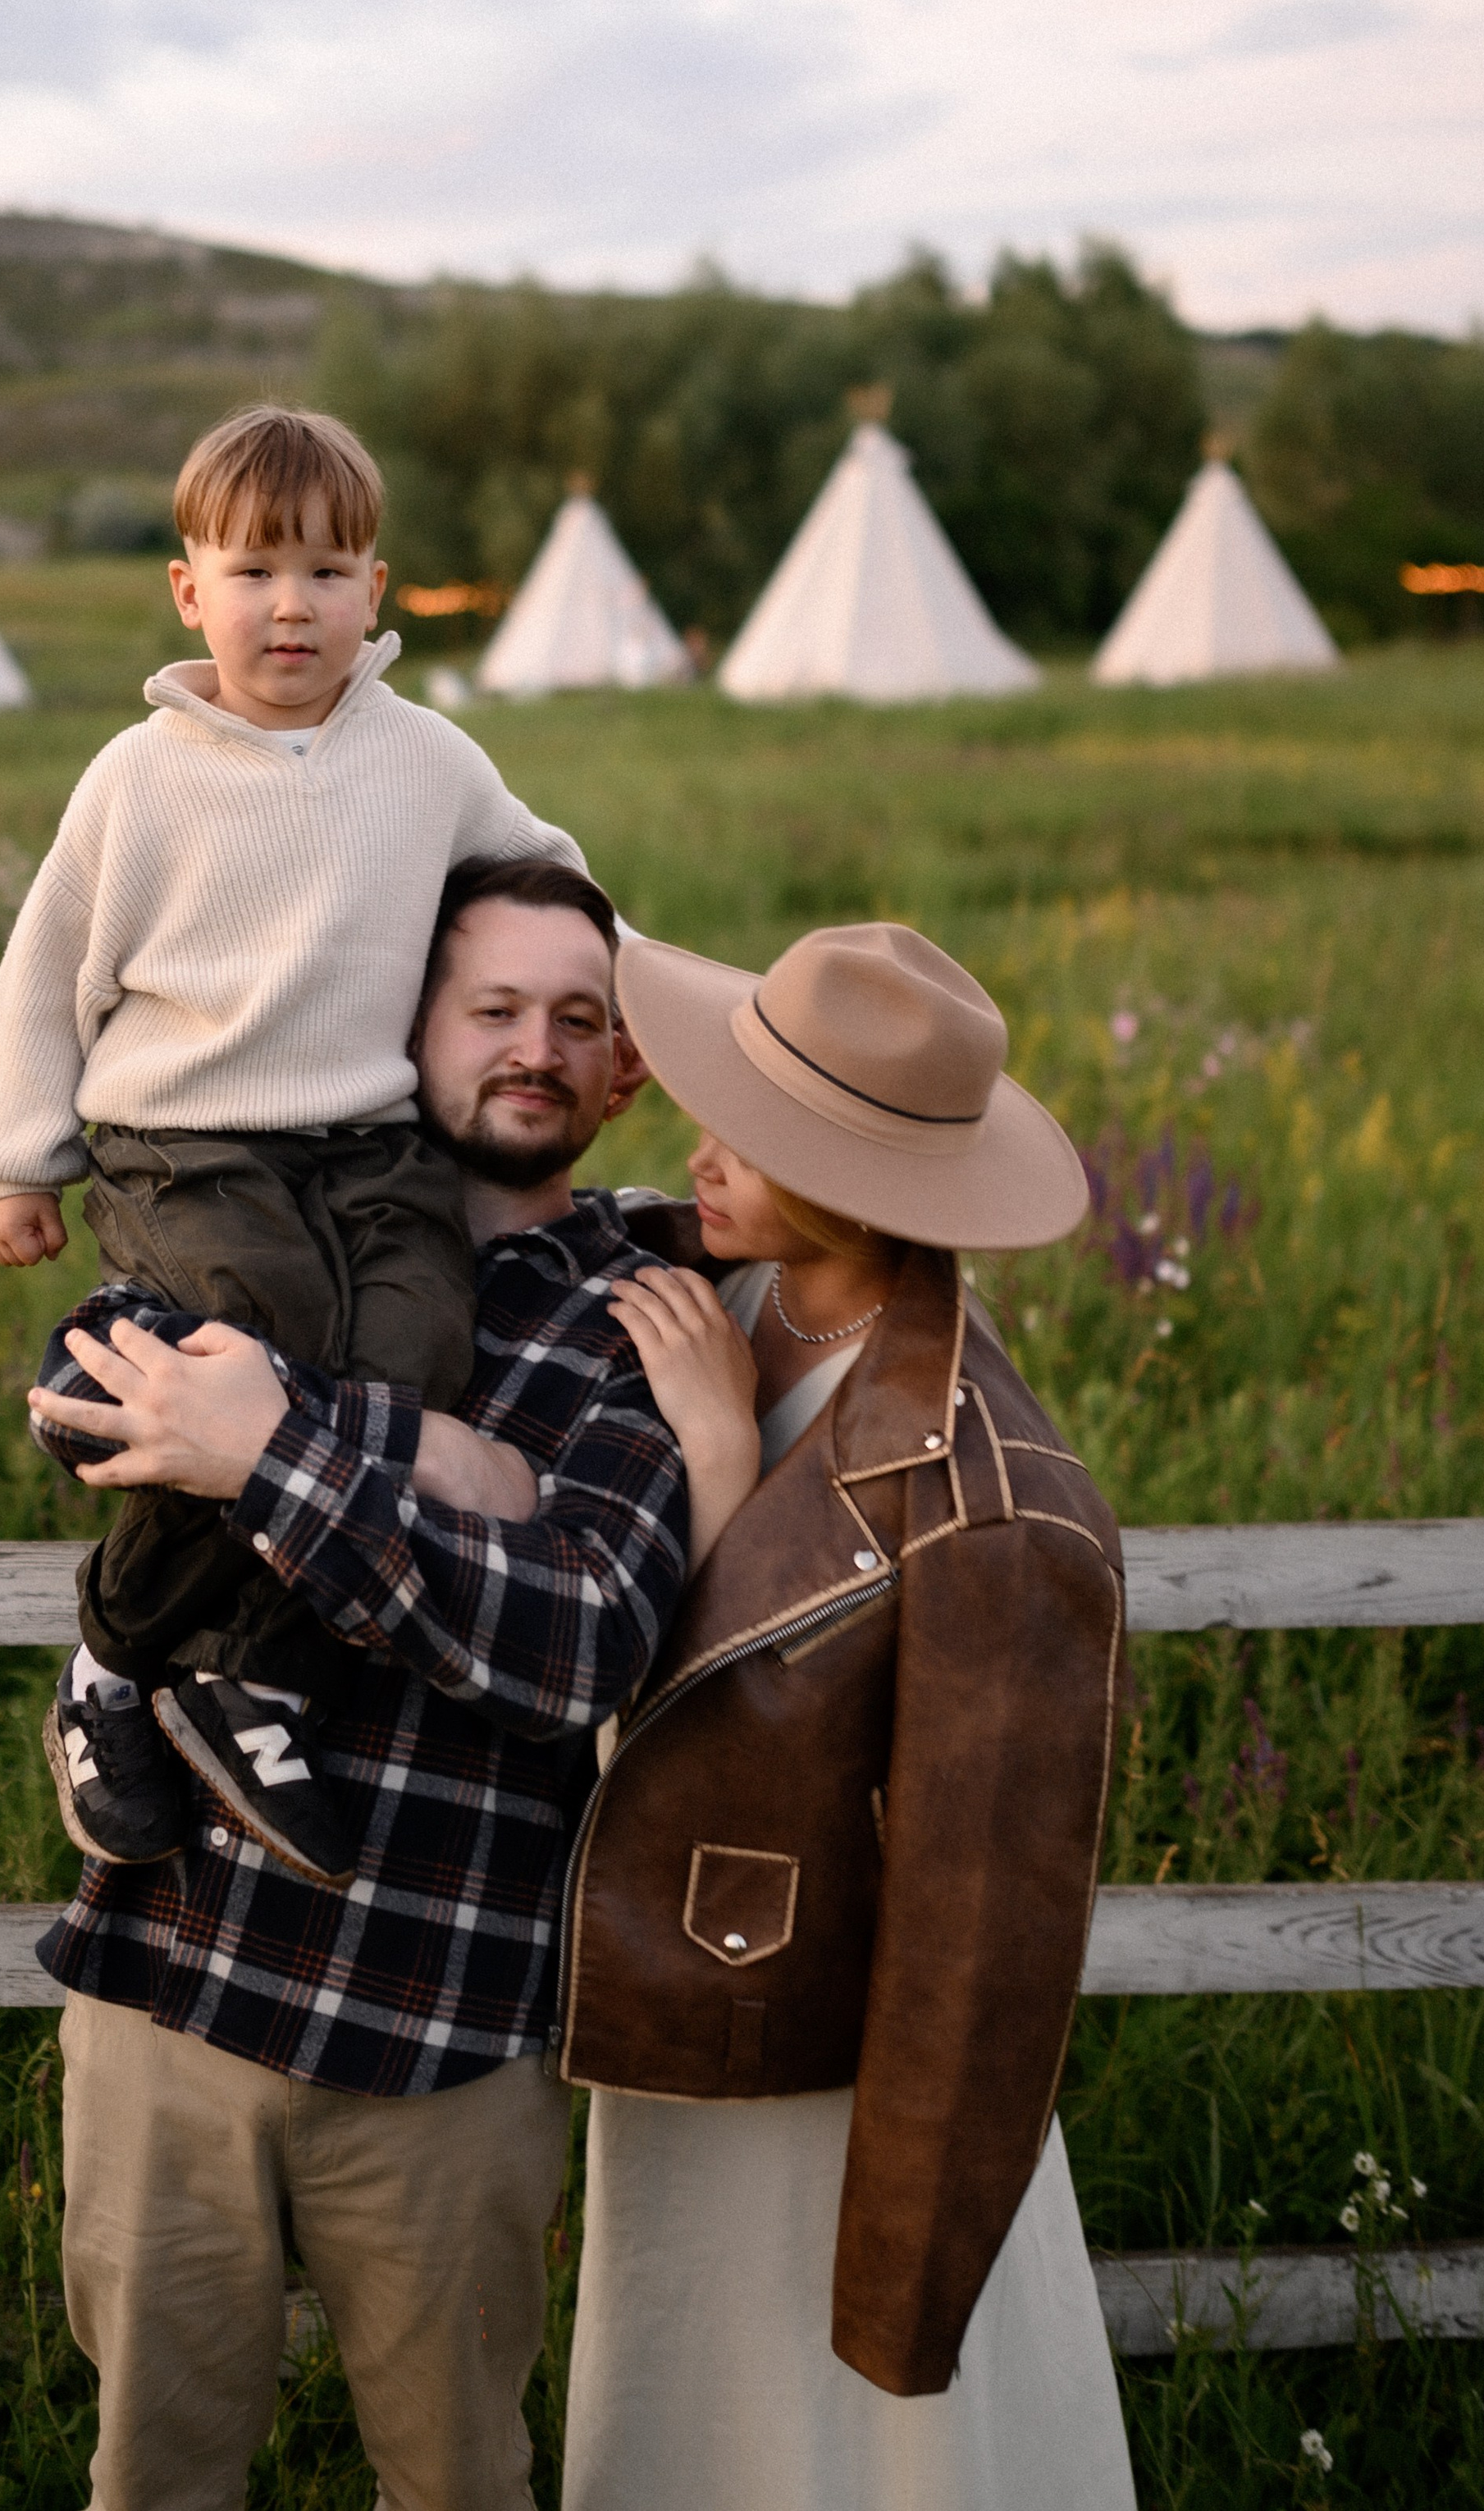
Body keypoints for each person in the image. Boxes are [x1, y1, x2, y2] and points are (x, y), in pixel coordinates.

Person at [22, 857, 687, 2511]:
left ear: (623, 1068)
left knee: (457, 2481)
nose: (532, 1047)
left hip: (445, 2019)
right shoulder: (252, 1207)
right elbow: (86, 1398)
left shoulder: (642, 1317)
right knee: (152, 2474)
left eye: (576, 1020)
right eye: (492, 1008)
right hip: (175, 1975)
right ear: (401, 1025)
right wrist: (431, 1456)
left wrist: (269, 1442)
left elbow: (578, 1632)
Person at [0, 404, 582, 1887]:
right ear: (190, 590)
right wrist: (12, 1161)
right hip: (187, 1141)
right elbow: (50, 967)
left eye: (326, 571)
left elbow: (544, 871)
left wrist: (635, 997)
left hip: (367, 1144)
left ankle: (239, 1673)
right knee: (263, 1339)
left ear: (380, 592)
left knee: (415, 1362)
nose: (289, 605)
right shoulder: (140, 777)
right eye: (252, 572)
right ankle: (113, 1665)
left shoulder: (425, 758)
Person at [559, 920, 1137, 2511]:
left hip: (828, 2085)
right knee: (686, 2411)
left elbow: (981, 1942)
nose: (699, 1139)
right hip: (692, 2026)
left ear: (861, 1177)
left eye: (757, 1127)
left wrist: (721, 1473)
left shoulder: (994, 1502)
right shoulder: (692, 1283)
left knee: (860, 2451)